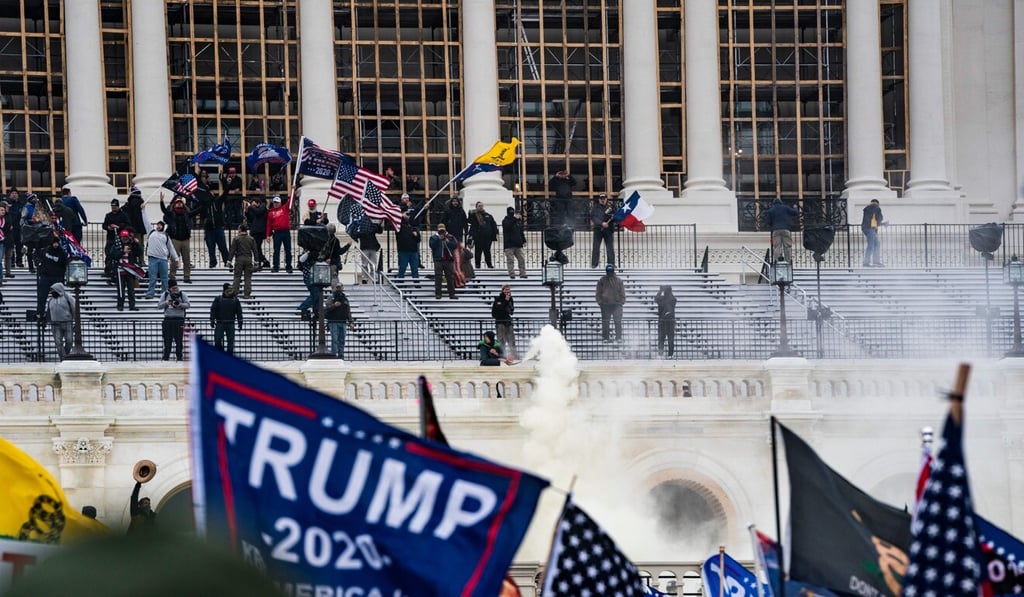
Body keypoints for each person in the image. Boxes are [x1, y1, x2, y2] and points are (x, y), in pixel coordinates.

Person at [160, 193, 195, 284]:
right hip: (175, 240)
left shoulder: (187, 214)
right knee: (174, 259)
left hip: (185, 239)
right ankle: (172, 276)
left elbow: (197, 211)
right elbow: (164, 210)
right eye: (177, 203)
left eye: (180, 202)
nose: (179, 204)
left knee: (186, 259)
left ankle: (186, 277)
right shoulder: (172, 214)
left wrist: (203, 204)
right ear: (174, 204)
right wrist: (161, 201)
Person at [143, 219, 179, 299]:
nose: (158, 226)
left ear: (163, 226)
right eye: (158, 224)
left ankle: (165, 294)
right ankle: (150, 293)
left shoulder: (166, 236)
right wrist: (143, 210)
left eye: (160, 225)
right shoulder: (151, 232)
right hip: (153, 258)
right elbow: (146, 221)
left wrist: (176, 258)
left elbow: (171, 247)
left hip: (163, 259)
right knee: (152, 277)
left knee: (164, 278)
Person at [35, 233, 67, 319]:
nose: (55, 245)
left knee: (57, 298)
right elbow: (38, 254)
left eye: (57, 243)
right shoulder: (46, 250)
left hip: (56, 278)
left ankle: (58, 314)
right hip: (46, 277)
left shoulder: (62, 253)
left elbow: (65, 265)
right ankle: (40, 313)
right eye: (54, 243)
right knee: (42, 296)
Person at [110, 230, 142, 311]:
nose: (125, 239)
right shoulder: (116, 245)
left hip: (130, 271)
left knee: (131, 289)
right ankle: (120, 305)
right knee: (121, 290)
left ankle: (132, 305)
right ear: (120, 237)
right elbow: (112, 255)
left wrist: (137, 244)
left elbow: (140, 252)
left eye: (126, 237)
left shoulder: (132, 245)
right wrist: (122, 252)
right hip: (120, 271)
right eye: (123, 237)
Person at [158, 278, 190, 361]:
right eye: (173, 288)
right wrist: (167, 303)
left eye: (176, 287)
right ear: (169, 288)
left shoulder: (182, 294)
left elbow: (188, 305)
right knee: (167, 340)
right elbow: (159, 306)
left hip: (179, 319)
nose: (175, 289)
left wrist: (180, 304)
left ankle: (179, 357)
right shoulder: (165, 294)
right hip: (168, 320)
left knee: (179, 340)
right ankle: (166, 357)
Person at [199, 187, 230, 269]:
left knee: (223, 246)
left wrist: (227, 185)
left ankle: (227, 261)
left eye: (211, 193)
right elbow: (202, 216)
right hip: (209, 229)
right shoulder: (204, 205)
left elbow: (224, 195)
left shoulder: (217, 202)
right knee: (211, 247)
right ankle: (213, 262)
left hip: (218, 228)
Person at [45, 282, 75, 360]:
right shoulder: (50, 300)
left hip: (67, 322)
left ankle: (66, 354)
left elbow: (74, 307)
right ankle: (63, 358)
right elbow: (48, 311)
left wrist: (75, 320)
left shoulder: (67, 297)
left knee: (69, 341)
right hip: (55, 324)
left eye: (53, 290)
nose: (51, 292)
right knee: (58, 342)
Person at [210, 283, 243, 354]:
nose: (230, 292)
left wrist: (240, 322)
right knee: (218, 341)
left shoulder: (235, 300)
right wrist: (212, 319)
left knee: (230, 342)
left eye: (231, 290)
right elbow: (213, 310)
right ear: (224, 290)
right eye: (228, 290)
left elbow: (239, 312)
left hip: (230, 323)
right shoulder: (218, 299)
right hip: (220, 322)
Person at [763, 198, 799, 263]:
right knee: (787, 246)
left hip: (776, 230)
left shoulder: (771, 210)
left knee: (777, 246)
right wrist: (795, 207)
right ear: (781, 202)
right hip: (785, 229)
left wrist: (772, 226)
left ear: (774, 204)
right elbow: (795, 213)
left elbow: (768, 222)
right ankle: (788, 261)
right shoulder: (785, 208)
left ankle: (776, 261)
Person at [102, 199, 130, 280]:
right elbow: (104, 225)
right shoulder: (108, 215)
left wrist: (119, 227)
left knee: (119, 254)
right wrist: (109, 227)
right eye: (112, 206)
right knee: (108, 254)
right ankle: (108, 269)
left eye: (115, 206)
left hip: (120, 238)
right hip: (110, 237)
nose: (113, 208)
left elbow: (127, 224)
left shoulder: (123, 215)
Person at [596, 264, 625, 342]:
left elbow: (622, 291)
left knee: (618, 321)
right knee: (606, 322)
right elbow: (598, 292)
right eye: (608, 271)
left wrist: (621, 301)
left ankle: (618, 337)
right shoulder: (602, 280)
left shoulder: (618, 280)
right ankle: (605, 337)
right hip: (606, 304)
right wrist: (600, 302)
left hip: (616, 304)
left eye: (611, 271)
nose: (610, 273)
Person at [429, 223, 458, 299]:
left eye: (443, 229)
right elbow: (432, 246)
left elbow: (455, 245)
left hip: (448, 260)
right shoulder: (434, 237)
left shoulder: (450, 237)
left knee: (450, 277)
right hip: (438, 260)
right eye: (440, 229)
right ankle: (438, 294)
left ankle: (452, 294)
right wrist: (438, 239)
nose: (442, 231)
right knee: (438, 277)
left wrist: (448, 241)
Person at [228, 223, 257, 299]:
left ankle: (234, 292)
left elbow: (232, 251)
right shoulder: (251, 239)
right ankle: (247, 294)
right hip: (248, 259)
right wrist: (256, 261)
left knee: (237, 276)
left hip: (239, 259)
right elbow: (255, 251)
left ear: (240, 229)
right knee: (248, 277)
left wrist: (229, 261)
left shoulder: (236, 239)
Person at [266, 195, 293, 273]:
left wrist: (293, 190)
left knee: (288, 250)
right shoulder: (271, 213)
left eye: (277, 202)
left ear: (280, 203)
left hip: (286, 232)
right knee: (276, 250)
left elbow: (291, 200)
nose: (276, 204)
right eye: (274, 202)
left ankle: (288, 266)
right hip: (277, 233)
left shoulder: (285, 208)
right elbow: (269, 225)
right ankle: (276, 266)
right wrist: (267, 235)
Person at [467, 201, 498, 269]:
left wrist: (495, 234)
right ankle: (477, 265)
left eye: (481, 206)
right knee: (478, 251)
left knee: (487, 251)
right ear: (476, 207)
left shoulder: (488, 215)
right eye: (479, 206)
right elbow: (469, 221)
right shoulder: (474, 215)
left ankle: (489, 264)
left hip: (487, 237)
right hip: (478, 236)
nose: (480, 207)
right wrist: (469, 214)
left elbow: (493, 224)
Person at [325, 284, 352, 359]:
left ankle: (341, 355)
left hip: (343, 322)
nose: (339, 289)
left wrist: (350, 322)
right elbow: (327, 308)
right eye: (338, 287)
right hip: (333, 321)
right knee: (335, 340)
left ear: (343, 288)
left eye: (340, 287)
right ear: (335, 288)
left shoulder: (345, 299)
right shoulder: (331, 297)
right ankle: (334, 355)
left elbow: (348, 311)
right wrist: (334, 305)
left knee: (342, 340)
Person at [491, 285, 518, 360]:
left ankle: (513, 355)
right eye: (506, 290)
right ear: (502, 290)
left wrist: (509, 303)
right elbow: (499, 311)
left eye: (509, 291)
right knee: (501, 340)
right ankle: (502, 354)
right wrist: (506, 301)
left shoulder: (510, 299)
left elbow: (511, 311)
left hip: (508, 321)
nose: (507, 292)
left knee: (511, 339)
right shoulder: (498, 299)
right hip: (500, 321)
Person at [590, 193, 616, 268]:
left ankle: (611, 263)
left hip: (608, 230)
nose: (603, 200)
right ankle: (594, 264)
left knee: (610, 247)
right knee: (596, 247)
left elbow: (615, 216)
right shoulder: (595, 207)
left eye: (604, 199)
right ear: (599, 200)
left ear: (606, 199)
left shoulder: (611, 207)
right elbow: (593, 217)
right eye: (601, 199)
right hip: (598, 229)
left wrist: (612, 219)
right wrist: (601, 223)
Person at [244, 196, 270, 270]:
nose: (253, 206)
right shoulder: (255, 210)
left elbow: (259, 212)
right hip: (255, 231)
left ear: (258, 202)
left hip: (260, 231)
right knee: (256, 248)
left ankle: (259, 263)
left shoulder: (262, 207)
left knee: (257, 248)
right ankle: (264, 261)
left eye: (254, 204)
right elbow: (251, 219)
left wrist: (250, 207)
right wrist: (246, 211)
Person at [502, 207, 527, 279]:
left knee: (521, 259)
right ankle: (512, 274)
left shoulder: (518, 221)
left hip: (518, 244)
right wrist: (515, 219)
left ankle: (523, 273)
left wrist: (524, 240)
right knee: (510, 260)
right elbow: (507, 227)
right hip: (509, 244)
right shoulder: (505, 221)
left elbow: (521, 232)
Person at [395, 212, 420, 279]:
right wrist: (402, 216)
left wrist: (416, 235)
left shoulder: (414, 228)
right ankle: (400, 282)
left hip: (413, 251)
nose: (407, 216)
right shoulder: (399, 228)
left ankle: (416, 283)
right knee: (402, 268)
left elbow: (418, 240)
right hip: (403, 251)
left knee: (415, 269)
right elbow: (397, 222)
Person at [654, 285, 677, 357]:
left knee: (661, 339)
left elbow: (656, 299)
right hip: (671, 322)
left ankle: (660, 354)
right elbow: (673, 298)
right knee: (670, 339)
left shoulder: (661, 299)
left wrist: (660, 291)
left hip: (662, 322)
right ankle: (670, 354)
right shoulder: (672, 299)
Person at [862, 198, 885, 267]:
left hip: (865, 228)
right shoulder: (877, 208)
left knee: (876, 243)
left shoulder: (866, 208)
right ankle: (867, 262)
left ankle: (875, 261)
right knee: (871, 245)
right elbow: (879, 218)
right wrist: (883, 223)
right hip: (871, 229)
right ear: (878, 203)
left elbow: (871, 219)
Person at [0, 202, 10, 283]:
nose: (3, 211)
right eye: (1, 210)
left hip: (1, 241)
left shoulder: (4, 219)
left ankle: (0, 277)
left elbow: (7, 229)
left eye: (3, 210)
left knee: (0, 260)